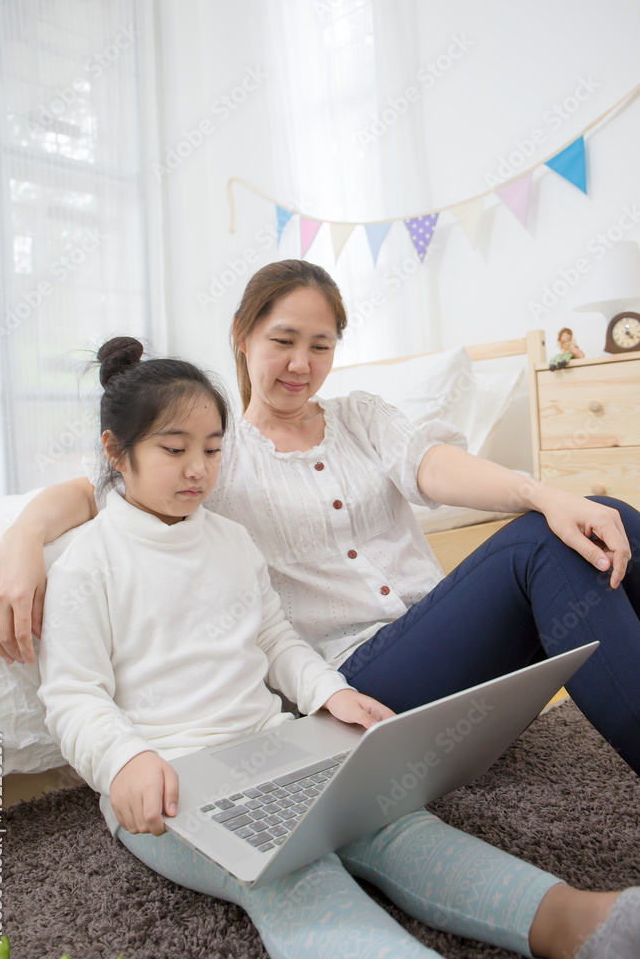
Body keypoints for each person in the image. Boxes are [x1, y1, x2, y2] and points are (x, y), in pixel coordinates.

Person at [36, 336, 640, 959]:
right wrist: (125, 761)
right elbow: (74, 697)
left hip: (274, 747)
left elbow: (274, 638)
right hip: (170, 782)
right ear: (116, 451)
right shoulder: (89, 564)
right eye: (174, 449)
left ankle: (585, 922)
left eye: (214, 450)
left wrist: (332, 691)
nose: (198, 469)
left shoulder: (230, 540)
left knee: (393, 821)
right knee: (295, 872)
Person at [0, 260, 640, 776]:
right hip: (351, 681)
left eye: (320, 345)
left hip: (445, 642)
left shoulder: (360, 415)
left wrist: (545, 494)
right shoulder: (216, 450)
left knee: (603, 515)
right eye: (283, 341)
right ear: (241, 339)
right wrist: (23, 537)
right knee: (538, 548)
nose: (301, 364)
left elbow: (432, 466)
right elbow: (98, 486)